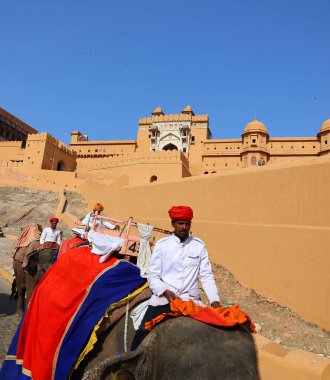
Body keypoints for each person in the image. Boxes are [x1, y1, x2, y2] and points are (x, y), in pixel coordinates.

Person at [131, 205, 220, 349]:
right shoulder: (162, 245)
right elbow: (153, 276)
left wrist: (215, 300)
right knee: (142, 332)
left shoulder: (199, 246)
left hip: (190, 302)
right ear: (173, 224)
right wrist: (164, 290)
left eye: (187, 223)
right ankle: (129, 367)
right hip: (165, 299)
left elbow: (206, 276)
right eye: (180, 223)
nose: (184, 227)